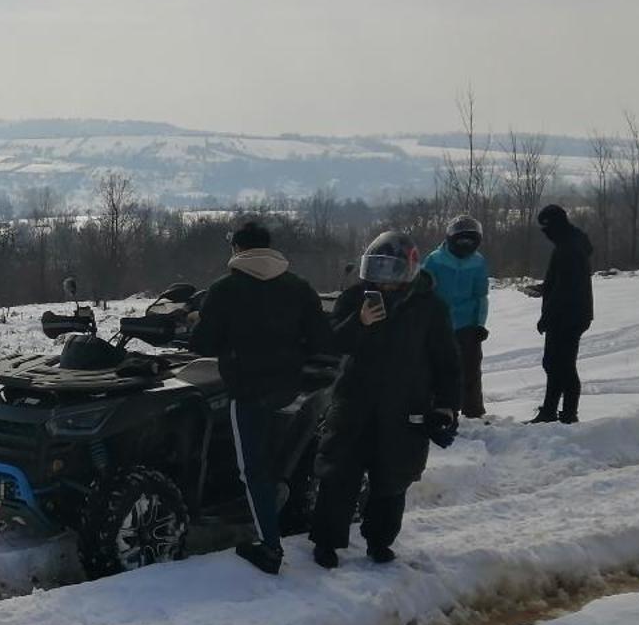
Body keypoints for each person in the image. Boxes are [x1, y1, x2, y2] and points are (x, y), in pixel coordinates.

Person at [190, 219, 334, 576]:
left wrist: (202, 323)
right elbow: (321, 340)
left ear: (237, 249)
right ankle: (282, 508)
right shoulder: (299, 286)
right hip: (291, 390)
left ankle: (269, 547)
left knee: (252, 470)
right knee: (278, 461)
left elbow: (201, 344)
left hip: (247, 391)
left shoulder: (224, 289)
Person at [309, 231, 460, 569]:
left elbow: (448, 363)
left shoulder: (429, 307)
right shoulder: (355, 299)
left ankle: (379, 541)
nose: (383, 280)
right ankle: (326, 542)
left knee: (393, 479)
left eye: (390, 271)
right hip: (354, 403)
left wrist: (447, 405)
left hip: (406, 406)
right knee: (337, 475)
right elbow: (330, 343)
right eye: (376, 270)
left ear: (407, 270)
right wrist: (359, 323)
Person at [529, 204, 593, 424]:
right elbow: (562, 282)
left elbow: (566, 290)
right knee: (554, 364)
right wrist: (544, 288)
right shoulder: (572, 242)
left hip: (569, 316)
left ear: (555, 225)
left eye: (545, 228)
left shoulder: (569, 248)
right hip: (574, 313)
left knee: (562, 365)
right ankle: (550, 411)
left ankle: (568, 414)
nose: (545, 233)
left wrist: (546, 318)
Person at [422, 214, 490, 419]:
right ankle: (436, 407)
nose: (465, 244)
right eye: (461, 239)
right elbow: (424, 291)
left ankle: (473, 410)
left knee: (470, 368)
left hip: (467, 325)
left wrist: (480, 324)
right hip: (438, 323)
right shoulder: (434, 259)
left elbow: (481, 295)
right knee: (436, 367)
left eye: (470, 240)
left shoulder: (478, 262)